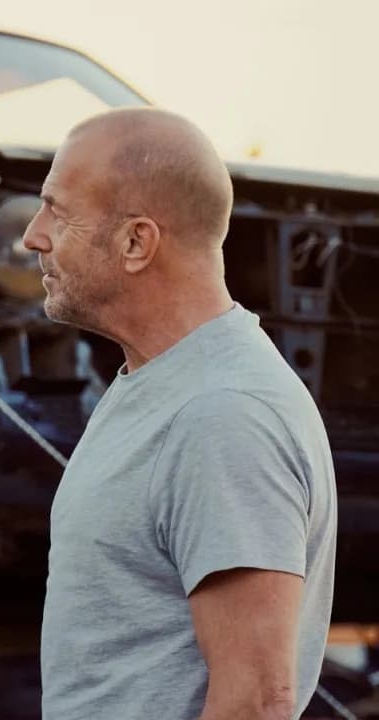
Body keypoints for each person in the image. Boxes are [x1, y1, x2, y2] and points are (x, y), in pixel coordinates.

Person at [24, 107, 337, 719]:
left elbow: (255, 703)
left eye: (58, 212)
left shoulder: (222, 416)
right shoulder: (163, 382)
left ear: (136, 243)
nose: (33, 236)